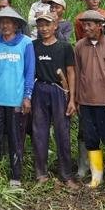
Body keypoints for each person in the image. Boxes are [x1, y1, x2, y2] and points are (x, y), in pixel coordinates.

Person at [0, 6, 35, 187]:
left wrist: (27, 96)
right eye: (2, 22)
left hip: (17, 98)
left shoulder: (26, 43)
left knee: (15, 137)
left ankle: (16, 175)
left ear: (16, 25)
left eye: (8, 22)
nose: (4, 26)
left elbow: (29, 72)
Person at [73, 10, 105, 193]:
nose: (86, 28)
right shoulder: (79, 46)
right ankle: (96, 177)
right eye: (84, 25)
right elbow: (77, 73)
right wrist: (76, 99)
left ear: (100, 26)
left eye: (89, 25)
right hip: (86, 102)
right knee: (91, 139)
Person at [30, 10, 75, 183]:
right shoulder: (33, 46)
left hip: (59, 91)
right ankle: (41, 173)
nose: (44, 28)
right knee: (39, 132)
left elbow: (71, 73)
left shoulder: (64, 47)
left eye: (47, 24)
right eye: (40, 25)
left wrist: (72, 99)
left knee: (62, 133)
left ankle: (66, 174)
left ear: (55, 26)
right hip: (39, 90)